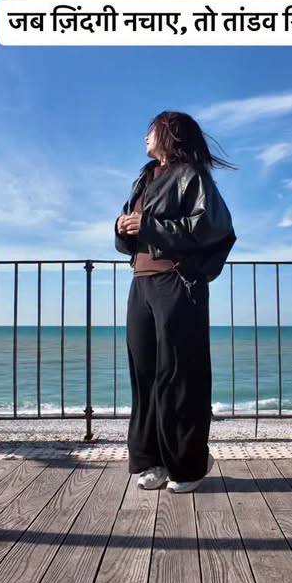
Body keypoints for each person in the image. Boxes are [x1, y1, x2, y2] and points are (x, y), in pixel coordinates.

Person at [114, 111, 236, 492]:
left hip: (177, 282)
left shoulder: (191, 175)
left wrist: (148, 226)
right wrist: (121, 228)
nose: (145, 137)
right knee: (145, 375)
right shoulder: (145, 177)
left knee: (180, 375)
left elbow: (212, 228)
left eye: (150, 130)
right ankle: (152, 461)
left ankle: (189, 464)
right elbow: (134, 235)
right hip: (141, 284)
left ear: (169, 132)